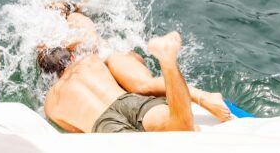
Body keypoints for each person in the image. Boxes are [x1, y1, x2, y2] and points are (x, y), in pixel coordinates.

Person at [40, 31, 197, 134]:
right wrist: (68, 45)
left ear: (48, 74)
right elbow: (93, 40)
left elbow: (79, 133)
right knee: (182, 127)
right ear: (72, 56)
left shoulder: (50, 102)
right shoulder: (89, 60)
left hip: (102, 123)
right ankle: (168, 63)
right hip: (125, 100)